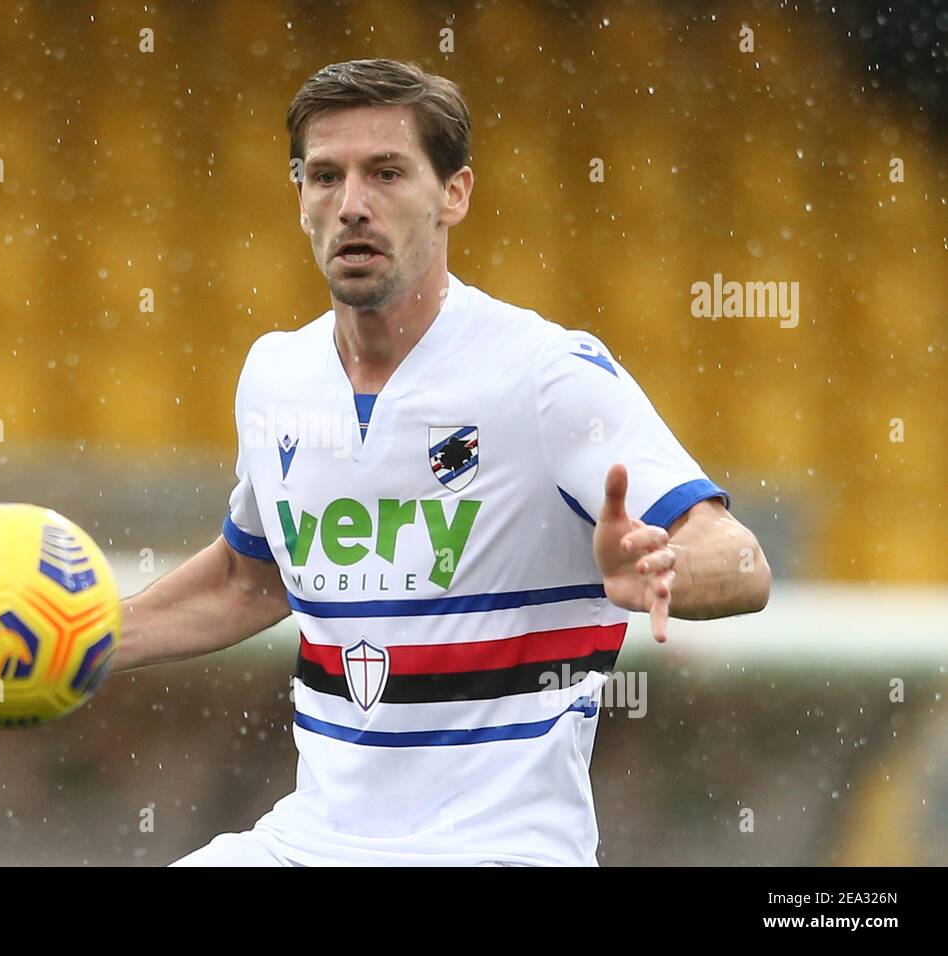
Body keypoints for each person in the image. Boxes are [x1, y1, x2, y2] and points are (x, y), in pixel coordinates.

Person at [114, 58, 771, 866]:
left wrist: (663, 566)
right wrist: (87, 637)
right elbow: (250, 578)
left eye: (386, 173)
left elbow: (741, 558)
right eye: (325, 176)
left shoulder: (545, 375)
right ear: (299, 197)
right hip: (309, 842)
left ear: (454, 194)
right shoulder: (274, 375)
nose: (351, 204)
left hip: (497, 849)